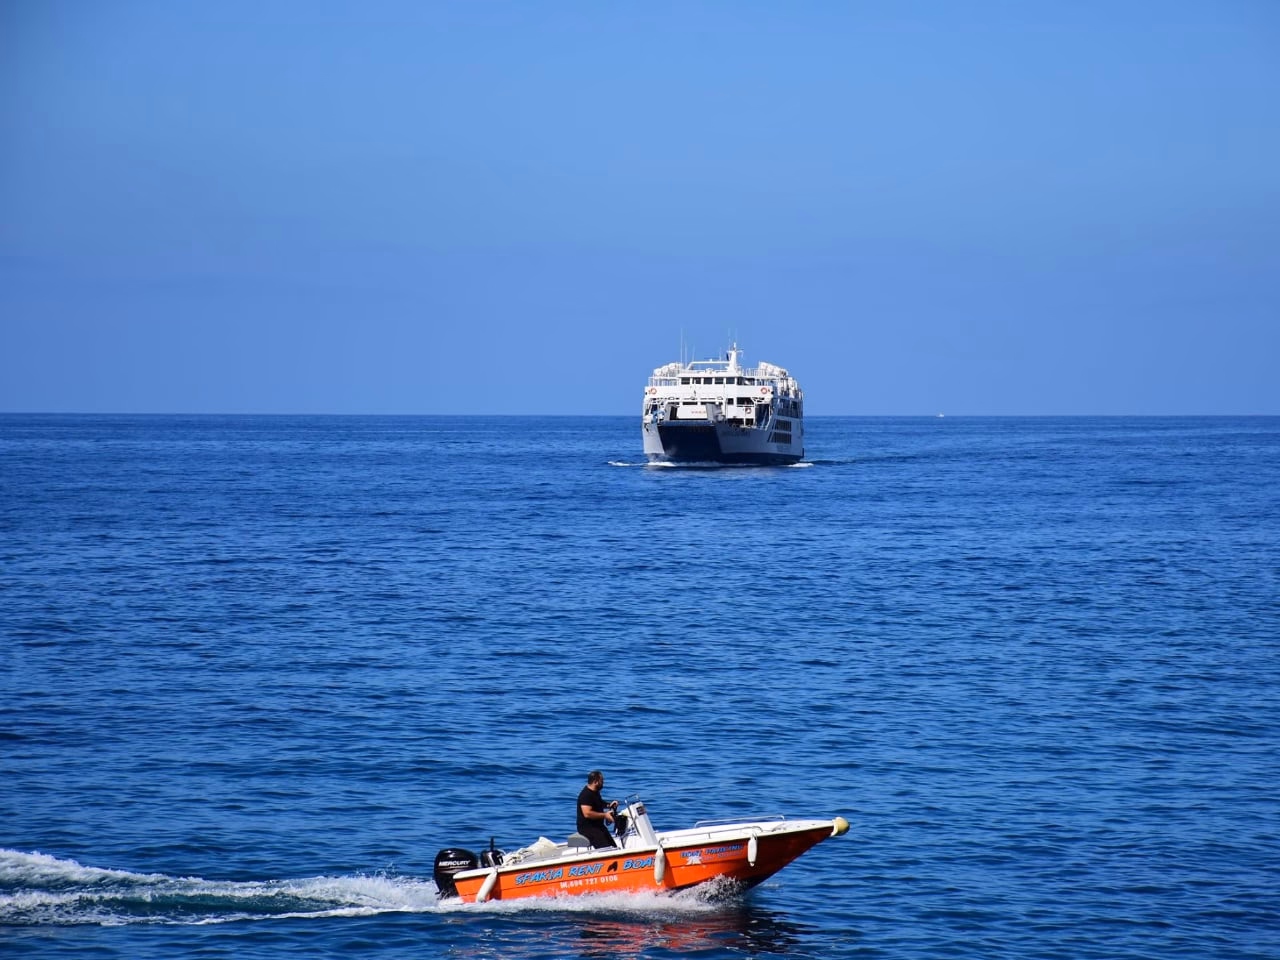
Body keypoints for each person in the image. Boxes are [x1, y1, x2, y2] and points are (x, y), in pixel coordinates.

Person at [576, 770, 617, 849]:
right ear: (596, 782)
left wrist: (609, 805)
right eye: (602, 781)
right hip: (587, 828)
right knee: (606, 848)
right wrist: (605, 815)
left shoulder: (595, 792)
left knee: (613, 846)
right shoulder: (586, 795)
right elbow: (587, 813)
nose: (603, 783)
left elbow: (599, 803)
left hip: (598, 826)